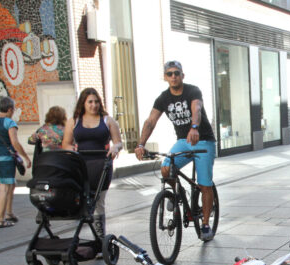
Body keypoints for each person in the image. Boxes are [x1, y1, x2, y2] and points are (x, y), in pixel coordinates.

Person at [134, 60, 217, 241]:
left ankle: (205, 225)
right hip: (182, 141)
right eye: (170, 74)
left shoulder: (192, 90)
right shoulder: (163, 98)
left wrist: (194, 126)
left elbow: (196, 108)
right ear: (165, 77)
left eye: (176, 73)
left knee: (204, 184)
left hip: (203, 140)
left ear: (182, 75)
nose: (173, 76)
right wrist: (141, 144)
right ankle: (176, 194)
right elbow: (150, 121)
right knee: (166, 168)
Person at [62, 88, 123, 239]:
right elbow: (66, 144)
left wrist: (115, 148)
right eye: (90, 102)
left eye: (96, 102)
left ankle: (100, 236)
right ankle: (83, 232)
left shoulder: (107, 120)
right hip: (81, 164)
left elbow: (118, 142)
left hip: (102, 164)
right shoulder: (74, 121)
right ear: (83, 103)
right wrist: (73, 150)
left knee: (99, 200)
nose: (94, 105)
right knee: (83, 198)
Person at [0, 97, 31, 228]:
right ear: (10, 109)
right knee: (5, 186)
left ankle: (9, 213)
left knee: (11, 184)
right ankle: (0, 220)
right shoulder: (9, 123)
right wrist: (26, 157)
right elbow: (14, 142)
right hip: (6, 158)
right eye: (13, 109)